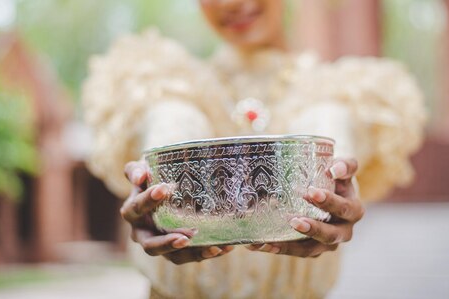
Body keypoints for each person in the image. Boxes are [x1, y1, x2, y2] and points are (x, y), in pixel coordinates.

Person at [82, 0, 426, 298]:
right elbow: (157, 140)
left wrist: (338, 196)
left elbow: (341, 148)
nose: (232, 3)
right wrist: (148, 195)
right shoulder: (160, 89)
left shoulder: (344, 95)